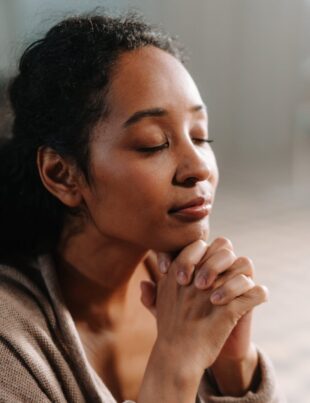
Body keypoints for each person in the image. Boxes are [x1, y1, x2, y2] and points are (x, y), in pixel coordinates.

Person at [0, 12, 284, 403]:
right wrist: (175, 362)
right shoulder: (10, 346)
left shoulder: (188, 292)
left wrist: (232, 369)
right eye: (152, 143)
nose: (199, 168)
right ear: (62, 174)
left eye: (201, 136)